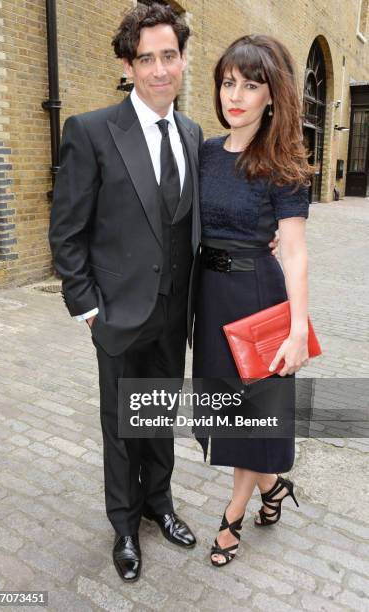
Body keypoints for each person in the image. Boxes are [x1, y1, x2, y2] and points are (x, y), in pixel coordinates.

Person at [48, 3, 202, 583]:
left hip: (173, 313)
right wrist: (87, 308)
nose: (160, 69)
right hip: (116, 314)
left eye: (169, 55)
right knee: (121, 424)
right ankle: (123, 523)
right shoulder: (90, 131)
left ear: (183, 58)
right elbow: (67, 232)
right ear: (128, 64)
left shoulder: (191, 132)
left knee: (159, 415)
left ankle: (160, 504)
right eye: (147, 59)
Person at [192, 34, 313, 567]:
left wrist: (296, 330)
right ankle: (274, 487)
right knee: (228, 413)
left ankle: (231, 518)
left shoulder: (282, 162)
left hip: (259, 298)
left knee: (251, 418)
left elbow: (295, 251)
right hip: (210, 297)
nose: (234, 95)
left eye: (249, 85)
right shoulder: (205, 153)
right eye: (227, 83)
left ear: (271, 95)